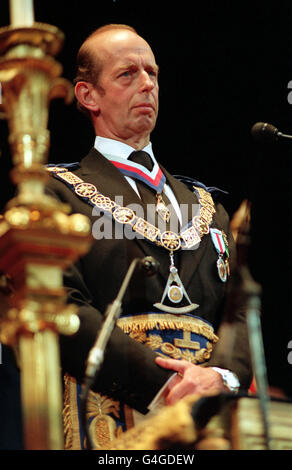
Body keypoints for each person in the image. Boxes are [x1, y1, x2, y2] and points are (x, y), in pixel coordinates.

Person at [46, 24, 252, 448]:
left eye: (152, 74)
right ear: (88, 96)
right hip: (105, 420)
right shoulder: (56, 194)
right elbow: (62, 307)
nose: (146, 85)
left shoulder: (209, 207)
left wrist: (218, 377)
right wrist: (165, 386)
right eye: (127, 74)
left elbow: (243, 317)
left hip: (205, 423)